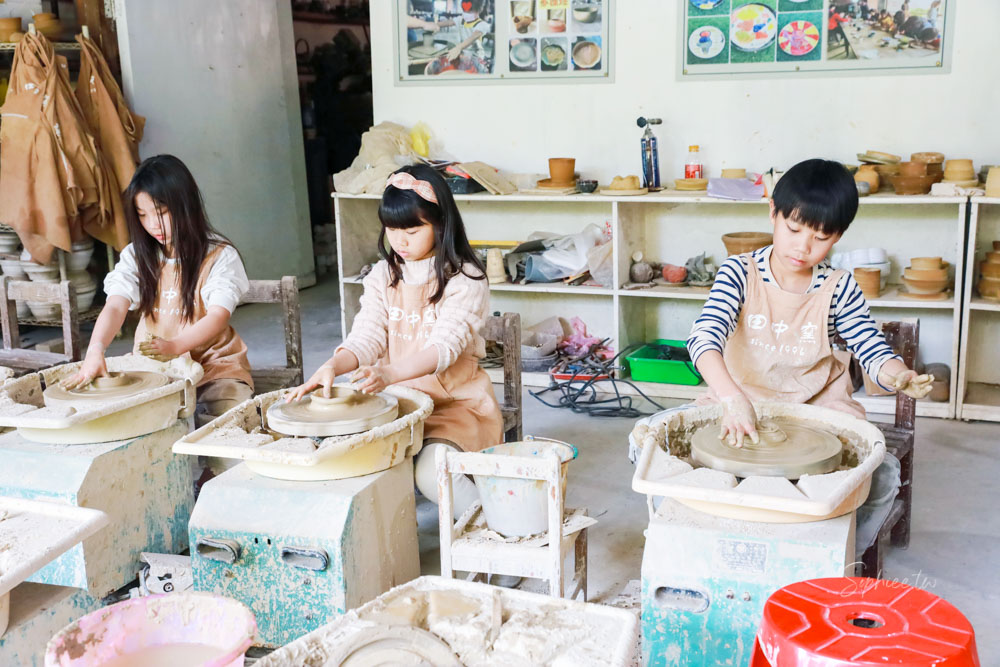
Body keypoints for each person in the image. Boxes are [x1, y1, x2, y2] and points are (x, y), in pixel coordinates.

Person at [288, 164, 502, 518]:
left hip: (455, 406)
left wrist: (388, 373)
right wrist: (332, 366)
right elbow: (367, 336)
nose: (400, 241)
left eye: (413, 230)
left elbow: (443, 349)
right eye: (392, 229)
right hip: (398, 405)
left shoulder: (466, 278)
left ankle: (495, 535)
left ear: (441, 224)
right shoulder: (382, 275)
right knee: (343, 464)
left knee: (432, 476)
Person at [686, 158, 932, 448]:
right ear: (773, 212)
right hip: (742, 394)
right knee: (675, 450)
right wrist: (730, 397)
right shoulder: (739, 272)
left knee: (867, 463)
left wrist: (899, 374)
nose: (803, 247)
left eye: (821, 237)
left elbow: (870, 348)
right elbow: (703, 339)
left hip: (818, 402)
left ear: (838, 235)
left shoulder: (839, 287)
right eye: (793, 229)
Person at [64, 155, 254, 429]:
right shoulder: (137, 256)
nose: (153, 224)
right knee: (118, 422)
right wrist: (96, 349)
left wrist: (176, 346)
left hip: (215, 367)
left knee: (229, 424)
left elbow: (218, 316)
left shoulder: (220, 255)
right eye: (143, 215)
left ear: (185, 204)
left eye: (161, 212)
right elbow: (116, 305)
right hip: (153, 367)